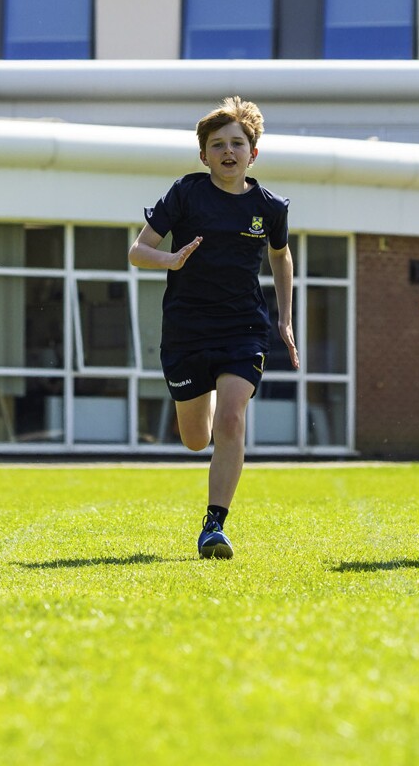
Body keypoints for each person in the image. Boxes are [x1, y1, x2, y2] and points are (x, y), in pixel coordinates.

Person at [131, 96, 298, 559]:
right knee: (195, 438)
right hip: (185, 328)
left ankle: (215, 525)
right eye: (218, 144)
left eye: (237, 143)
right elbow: (137, 251)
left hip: (243, 328)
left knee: (231, 418)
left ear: (253, 153)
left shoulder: (270, 207)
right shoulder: (186, 193)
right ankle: (201, 437)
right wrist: (172, 258)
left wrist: (284, 318)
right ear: (204, 155)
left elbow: (281, 257)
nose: (228, 151)